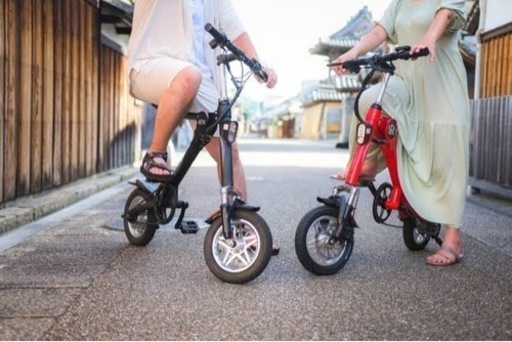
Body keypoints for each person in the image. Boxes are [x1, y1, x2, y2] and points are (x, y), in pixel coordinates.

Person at [127, 0, 280, 254]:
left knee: (229, 150)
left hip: (199, 79)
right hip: (150, 65)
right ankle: (155, 155)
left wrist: (258, 66)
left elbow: (235, 29)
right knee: (189, 76)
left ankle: (238, 221)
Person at [331, 0, 470, 266]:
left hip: (441, 82)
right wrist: (353, 53)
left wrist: (429, 38)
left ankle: (453, 238)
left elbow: (446, 14)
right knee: (369, 102)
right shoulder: (399, 4)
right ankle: (367, 163)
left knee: (447, 152)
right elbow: (378, 32)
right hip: (405, 80)